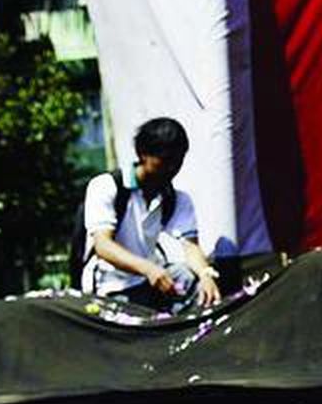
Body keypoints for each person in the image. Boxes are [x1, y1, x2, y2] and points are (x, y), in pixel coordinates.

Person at [81, 117, 221, 312]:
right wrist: (147, 269)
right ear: (143, 154)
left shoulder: (176, 199)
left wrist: (206, 275)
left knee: (189, 278)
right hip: (112, 285)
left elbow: (190, 246)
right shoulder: (106, 186)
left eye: (178, 161)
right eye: (165, 160)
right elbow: (103, 245)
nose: (172, 168)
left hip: (150, 279)